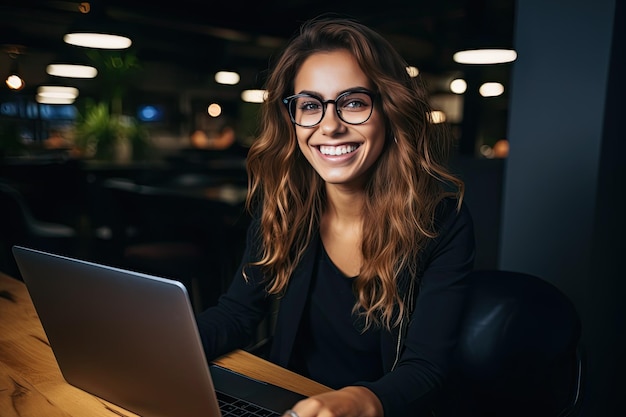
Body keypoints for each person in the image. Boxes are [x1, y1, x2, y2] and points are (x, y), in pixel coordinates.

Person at [196, 15, 475, 417]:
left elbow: (425, 368)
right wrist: (164, 345)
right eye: (310, 106)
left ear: (389, 110)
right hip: (287, 402)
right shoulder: (284, 205)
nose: (329, 126)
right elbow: (238, 313)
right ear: (291, 119)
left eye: (353, 102)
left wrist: (362, 399)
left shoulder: (441, 223)